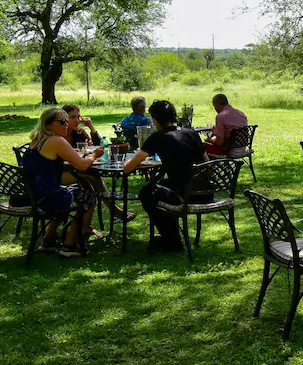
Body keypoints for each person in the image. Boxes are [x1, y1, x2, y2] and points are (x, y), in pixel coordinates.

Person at [124, 100, 208, 252]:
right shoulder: (191, 134)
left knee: (147, 193)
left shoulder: (157, 137)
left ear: (155, 120)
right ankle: (171, 237)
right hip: (205, 192)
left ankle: (171, 240)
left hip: (183, 194)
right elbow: (207, 163)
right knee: (161, 186)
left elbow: (129, 167)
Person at [22, 108, 103, 258]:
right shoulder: (57, 140)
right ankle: (69, 245)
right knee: (88, 196)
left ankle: (48, 241)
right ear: (48, 125)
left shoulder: (38, 139)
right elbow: (83, 166)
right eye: (62, 121)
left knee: (72, 191)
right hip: (45, 197)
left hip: (31, 194)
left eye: (67, 120)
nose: (66, 124)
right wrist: (94, 155)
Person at [61, 103, 124, 234]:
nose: (77, 120)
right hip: (61, 173)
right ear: (63, 119)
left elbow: (97, 146)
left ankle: (88, 226)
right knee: (91, 178)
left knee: (92, 178)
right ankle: (112, 211)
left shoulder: (78, 133)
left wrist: (90, 127)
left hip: (77, 168)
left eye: (78, 117)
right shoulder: (59, 135)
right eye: (72, 117)